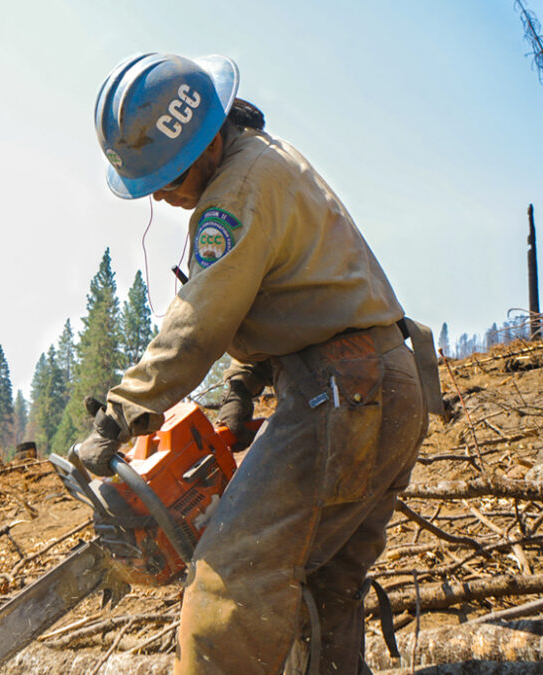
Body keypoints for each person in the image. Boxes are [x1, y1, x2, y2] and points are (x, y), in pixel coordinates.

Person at [77, 53, 444, 674]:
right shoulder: (268, 159)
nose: (162, 196)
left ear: (203, 144)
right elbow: (302, 288)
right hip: (384, 385)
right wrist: (243, 386)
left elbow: (198, 321)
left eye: (166, 178)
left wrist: (121, 413)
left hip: (344, 393)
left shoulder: (236, 193)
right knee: (324, 585)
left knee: (231, 582)